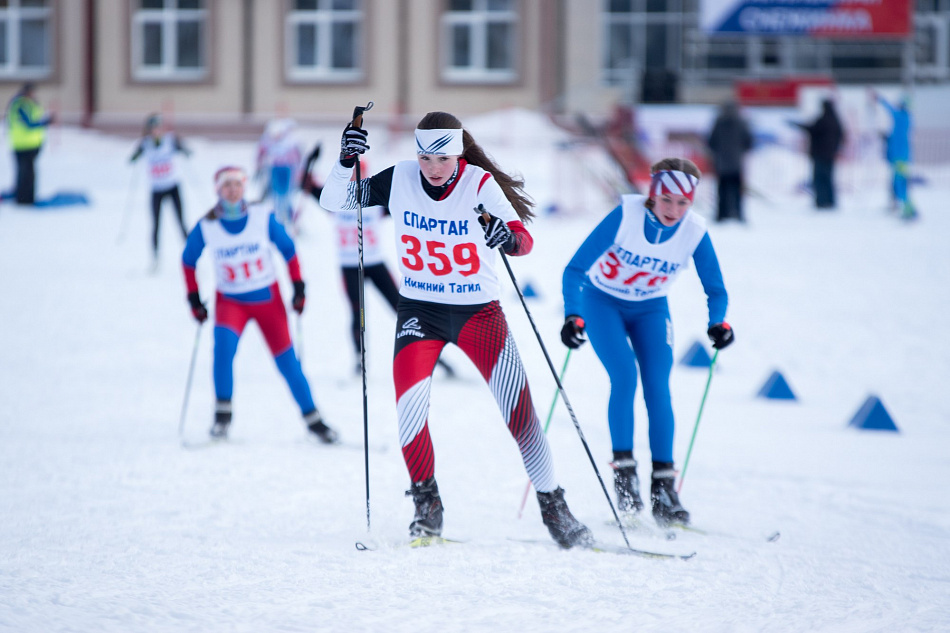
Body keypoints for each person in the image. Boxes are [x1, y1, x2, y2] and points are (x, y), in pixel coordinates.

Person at [319, 111, 593, 548]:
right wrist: (344, 162)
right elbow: (335, 201)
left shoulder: (480, 184)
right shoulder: (401, 179)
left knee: (521, 416)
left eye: (442, 157)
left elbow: (524, 241)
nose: (433, 167)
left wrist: (506, 237)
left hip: (478, 315)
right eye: (425, 157)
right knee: (409, 412)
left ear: (458, 152)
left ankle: (553, 505)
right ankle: (427, 506)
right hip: (419, 312)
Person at [560, 158, 733, 527]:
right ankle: (625, 479)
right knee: (625, 377)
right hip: (602, 302)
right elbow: (574, 269)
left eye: (682, 203)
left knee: (658, 386)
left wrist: (718, 323)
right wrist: (573, 314)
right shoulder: (626, 214)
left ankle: (664, 488)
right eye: (666, 200)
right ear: (653, 195)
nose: (674, 210)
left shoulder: (695, 232)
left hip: (651, 309)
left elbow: (715, 289)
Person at [181, 166, 338, 444]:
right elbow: (188, 260)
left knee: (287, 361)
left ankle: (314, 421)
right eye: (226, 186)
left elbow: (288, 249)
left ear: (244, 188)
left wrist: (299, 286)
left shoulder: (261, 217)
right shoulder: (208, 225)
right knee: (223, 353)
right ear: (218, 190)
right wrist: (194, 297)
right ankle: (222, 417)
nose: (232, 190)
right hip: (231, 302)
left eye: (237, 185)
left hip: (267, 299)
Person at [300, 146, 456, 377]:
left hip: (374, 263)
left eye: (360, 173)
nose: (356, 177)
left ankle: (434, 357)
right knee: (357, 313)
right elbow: (306, 186)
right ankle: (359, 359)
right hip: (351, 266)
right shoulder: (334, 201)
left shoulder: (374, 202)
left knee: (402, 309)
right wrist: (309, 162)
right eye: (353, 173)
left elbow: (408, 201)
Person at [129, 114, 190, 269]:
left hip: (172, 187)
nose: (156, 131)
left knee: (181, 223)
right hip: (156, 190)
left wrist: (184, 150)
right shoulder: (145, 144)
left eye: (158, 127)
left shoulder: (170, 140)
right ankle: (155, 259)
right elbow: (133, 158)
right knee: (156, 224)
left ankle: (191, 256)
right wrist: (135, 157)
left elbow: (185, 150)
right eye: (153, 128)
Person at [790, 98, 845, 210]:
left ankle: (821, 201)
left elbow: (811, 129)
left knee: (819, 179)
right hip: (830, 155)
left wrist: (797, 125)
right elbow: (841, 136)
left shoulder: (823, 120)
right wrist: (835, 149)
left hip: (819, 155)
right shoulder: (835, 120)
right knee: (828, 179)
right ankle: (830, 201)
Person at [5, 82, 54, 205]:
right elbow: (29, 124)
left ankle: (27, 198)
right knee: (25, 174)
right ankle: (24, 199)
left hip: (30, 144)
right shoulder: (21, 105)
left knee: (28, 173)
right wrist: (45, 122)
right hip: (23, 145)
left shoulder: (28, 104)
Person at [707, 100, 753, 222]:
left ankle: (721, 215)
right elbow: (748, 141)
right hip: (737, 163)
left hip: (721, 163)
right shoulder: (742, 122)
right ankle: (738, 214)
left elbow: (711, 142)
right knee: (737, 191)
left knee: (722, 190)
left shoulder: (718, 122)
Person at [874, 91, 916, 220]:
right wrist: (886, 138)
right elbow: (896, 136)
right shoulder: (905, 119)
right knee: (897, 182)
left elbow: (890, 109)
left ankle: (908, 208)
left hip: (900, 157)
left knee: (900, 183)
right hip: (900, 156)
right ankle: (900, 205)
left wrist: (880, 98)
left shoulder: (901, 117)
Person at [255, 118, 303, 230]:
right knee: (276, 194)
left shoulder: (291, 143)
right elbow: (261, 152)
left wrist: (299, 172)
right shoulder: (269, 142)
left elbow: (298, 158)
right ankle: (278, 218)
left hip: (287, 170)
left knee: (287, 195)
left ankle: (288, 218)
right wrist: (259, 165)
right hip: (274, 169)